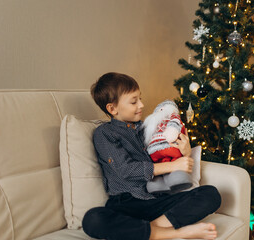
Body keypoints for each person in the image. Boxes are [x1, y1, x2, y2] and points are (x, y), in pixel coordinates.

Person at [82, 72, 221, 240]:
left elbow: (166, 157)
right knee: (93, 219)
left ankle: (143, 231)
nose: (141, 105)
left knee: (210, 194)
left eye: (140, 98)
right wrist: (173, 166)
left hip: (157, 200)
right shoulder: (105, 133)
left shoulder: (148, 128)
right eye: (134, 101)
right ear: (112, 108)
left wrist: (185, 152)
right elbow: (126, 170)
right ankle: (174, 233)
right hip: (126, 204)